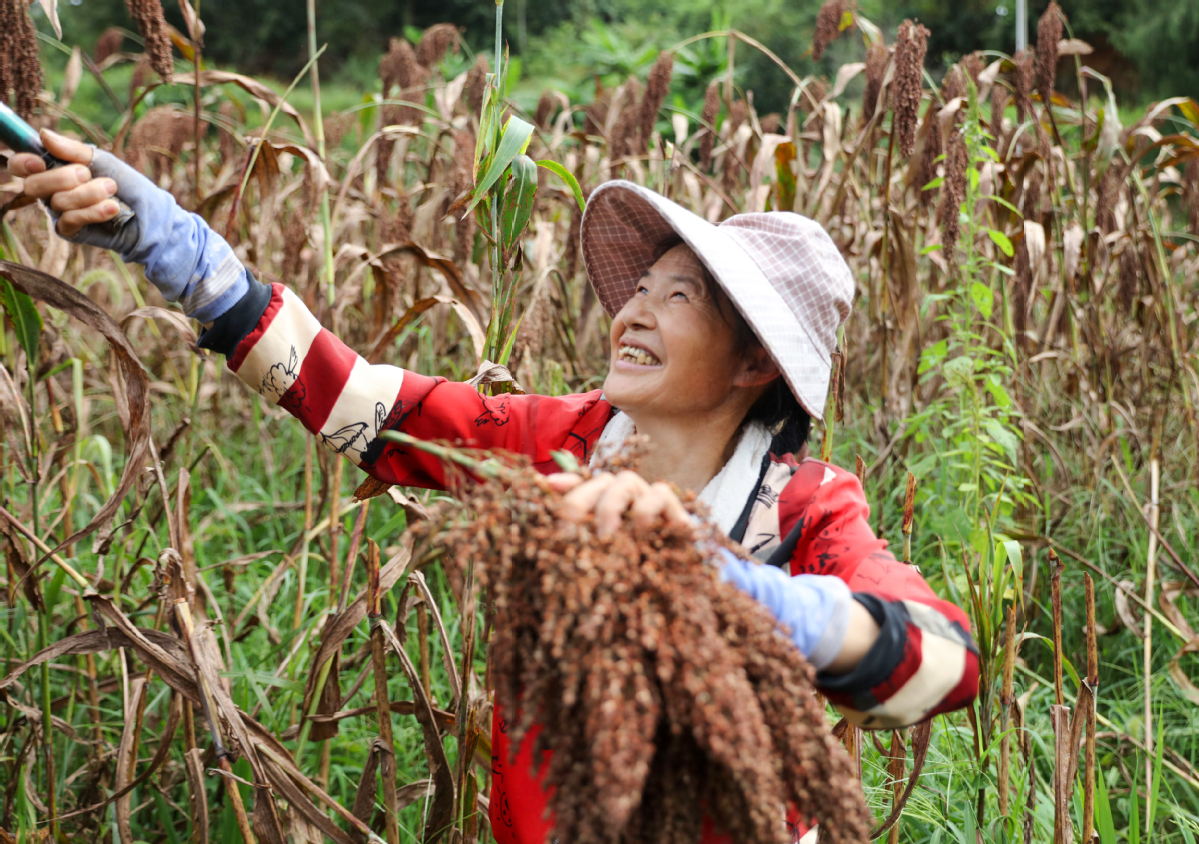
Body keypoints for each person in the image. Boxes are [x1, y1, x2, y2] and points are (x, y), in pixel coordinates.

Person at [8, 131, 979, 844]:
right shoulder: (557, 450)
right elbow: (361, 405)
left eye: (676, 296)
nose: (632, 309)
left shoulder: (803, 508)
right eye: (640, 287)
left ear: (750, 366)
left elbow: (943, 660)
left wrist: (748, 600)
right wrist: (173, 247)